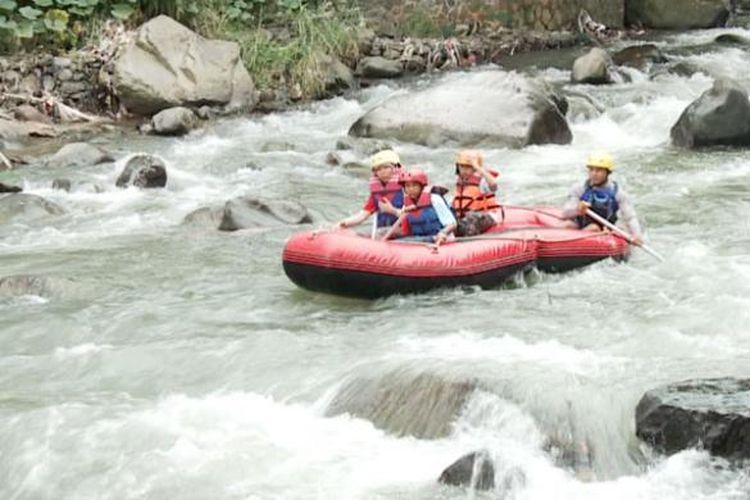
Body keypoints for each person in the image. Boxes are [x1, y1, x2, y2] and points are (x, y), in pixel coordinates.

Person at [562, 153, 643, 245]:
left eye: (599, 170)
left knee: (593, 228)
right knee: (567, 225)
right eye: (591, 170)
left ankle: (572, 244)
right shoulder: (579, 188)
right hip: (580, 225)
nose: (594, 174)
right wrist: (577, 210)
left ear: (607, 172)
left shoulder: (618, 193)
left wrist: (637, 235)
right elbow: (565, 214)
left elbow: (630, 217)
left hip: (604, 229)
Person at [381, 169, 457, 245]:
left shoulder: (434, 199)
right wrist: (391, 210)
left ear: (422, 186)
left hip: (440, 239)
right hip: (421, 240)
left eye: (414, 185)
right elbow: (402, 216)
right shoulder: (408, 204)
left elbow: (452, 224)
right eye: (407, 186)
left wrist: (443, 232)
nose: (411, 189)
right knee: (388, 234)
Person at [336, 149, 404, 230]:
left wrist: (393, 211)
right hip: (385, 233)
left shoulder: (407, 189)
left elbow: (414, 215)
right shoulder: (376, 194)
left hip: (405, 233)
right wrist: (344, 223)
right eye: (378, 169)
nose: (382, 171)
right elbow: (363, 215)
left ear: (396, 168)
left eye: (386, 167)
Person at [451, 150, 500, 237]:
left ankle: (469, 243)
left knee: (472, 217)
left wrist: (478, 168)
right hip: (466, 218)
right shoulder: (460, 183)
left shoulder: (482, 181)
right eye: (462, 167)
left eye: (468, 167)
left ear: (475, 168)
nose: (464, 170)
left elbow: (494, 185)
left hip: (487, 215)